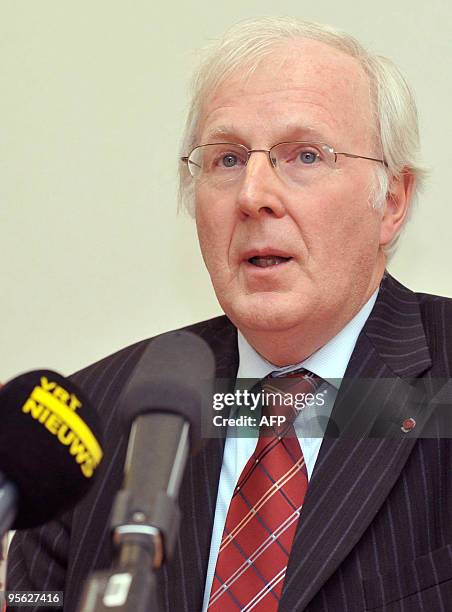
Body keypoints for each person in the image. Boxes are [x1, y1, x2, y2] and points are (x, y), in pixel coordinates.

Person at [7, 16, 452, 612]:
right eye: (226, 160)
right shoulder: (85, 426)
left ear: (391, 201)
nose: (252, 195)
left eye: (306, 155)